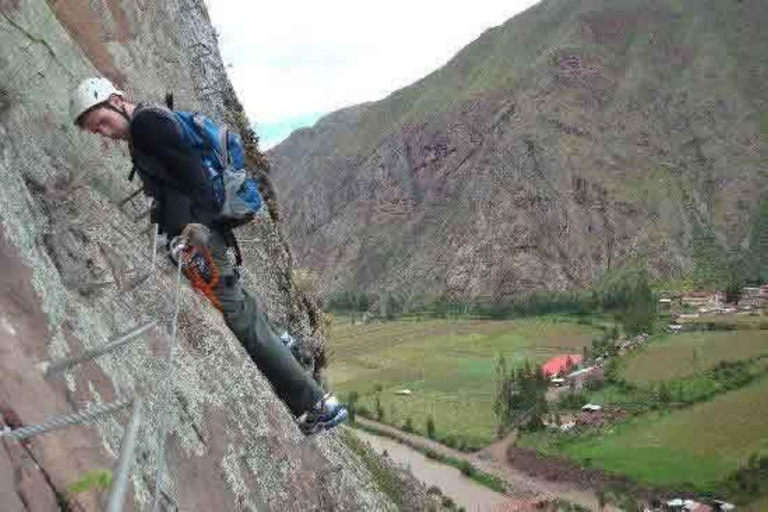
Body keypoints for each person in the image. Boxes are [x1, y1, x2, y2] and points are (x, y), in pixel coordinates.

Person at [69, 77, 347, 434]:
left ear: (116, 100)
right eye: (96, 131)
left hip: (200, 238)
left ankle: (315, 403)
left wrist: (194, 228)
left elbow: (197, 180)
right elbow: (177, 184)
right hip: (197, 235)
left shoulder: (147, 125)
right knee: (239, 304)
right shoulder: (148, 125)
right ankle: (282, 342)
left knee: (239, 318)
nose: (104, 133)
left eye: (102, 122)